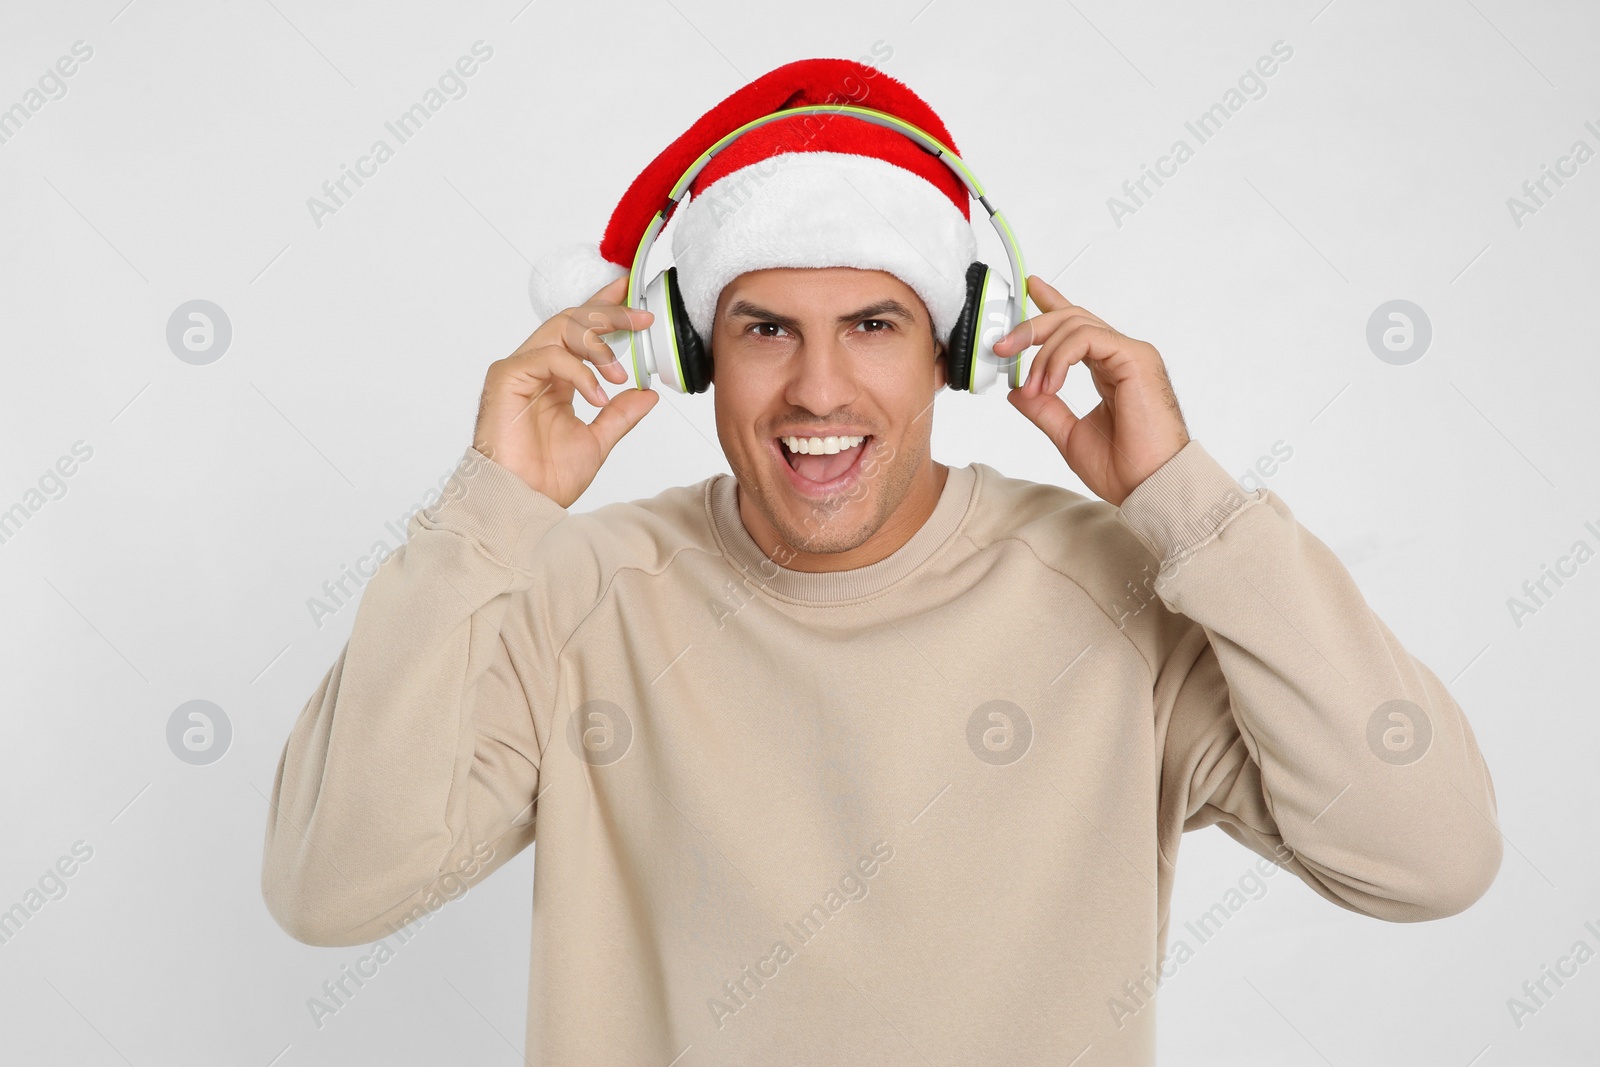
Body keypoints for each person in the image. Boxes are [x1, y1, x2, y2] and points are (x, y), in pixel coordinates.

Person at [260, 58, 1501, 1064]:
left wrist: (1188, 502)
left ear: (948, 353)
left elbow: (1429, 855)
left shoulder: (1121, 588)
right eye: (763, 329)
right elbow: (332, 890)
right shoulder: (574, 592)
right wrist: (489, 515)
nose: (818, 387)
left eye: (872, 324)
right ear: (697, 356)